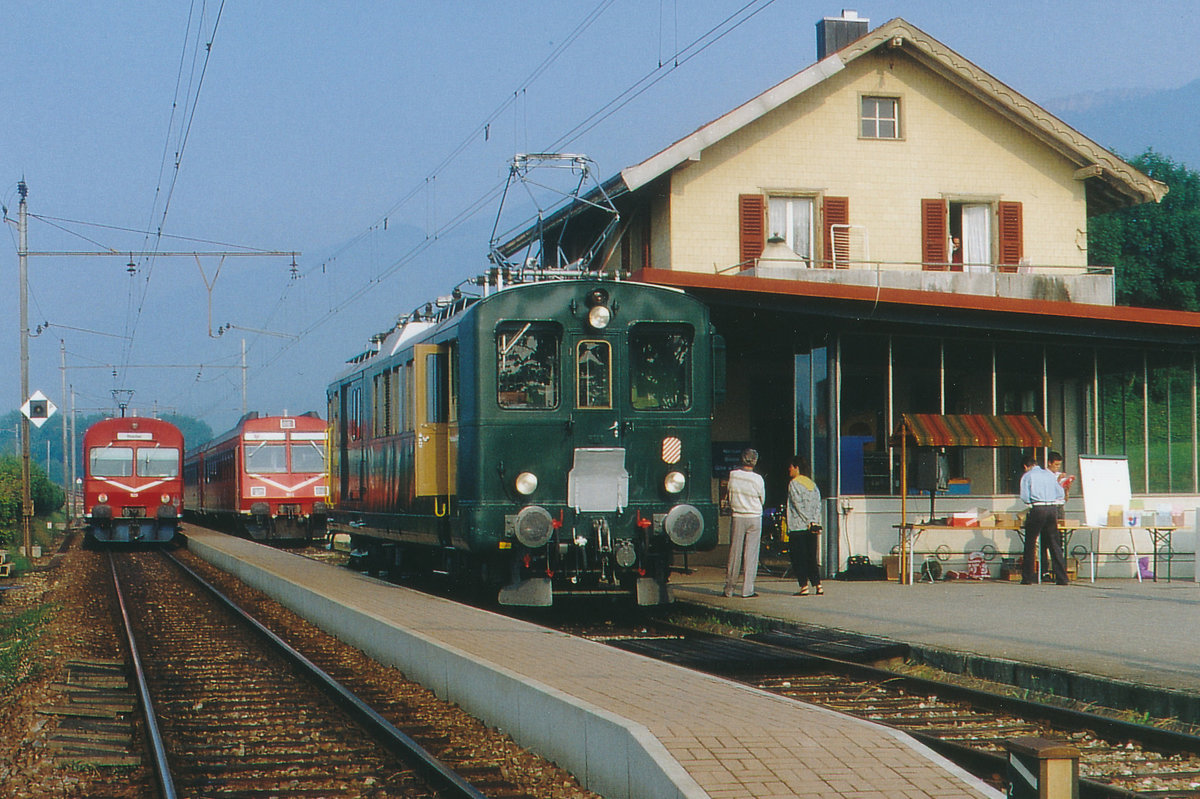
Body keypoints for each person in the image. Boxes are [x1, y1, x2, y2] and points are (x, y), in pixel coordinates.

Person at [1019, 454, 1068, 585]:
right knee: (1054, 543)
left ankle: (1027, 577)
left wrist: (1030, 504)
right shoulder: (1049, 475)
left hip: (1038, 508)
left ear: (1026, 466)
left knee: (1030, 542)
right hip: (1052, 509)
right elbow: (1060, 493)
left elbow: (1024, 496)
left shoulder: (1027, 476)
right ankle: (1062, 577)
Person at [723, 448, 766, 598]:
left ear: (742, 459)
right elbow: (762, 499)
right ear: (755, 461)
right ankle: (747, 590)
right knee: (751, 554)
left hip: (738, 516)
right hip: (755, 516)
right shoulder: (758, 479)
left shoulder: (733, 475)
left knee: (735, 553)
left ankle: (729, 589)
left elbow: (729, 494)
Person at [786, 456, 823, 595]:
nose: (789, 470)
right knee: (811, 557)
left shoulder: (794, 483)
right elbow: (818, 504)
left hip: (798, 526)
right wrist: (813, 522)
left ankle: (804, 586)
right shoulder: (812, 484)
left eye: (790, 467)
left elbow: (797, 504)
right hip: (812, 526)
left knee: (798, 557)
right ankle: (818, 585)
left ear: (796, 467)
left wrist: (807, 521)